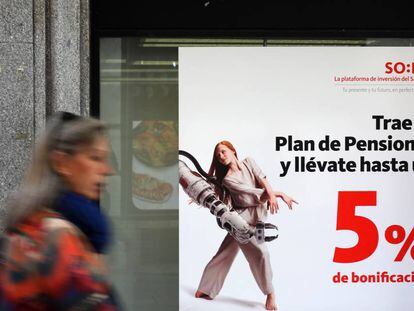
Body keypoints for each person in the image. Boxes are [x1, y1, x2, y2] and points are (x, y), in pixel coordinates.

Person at [0, 112, 120, 310]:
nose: (108, 170)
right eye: (95, 157)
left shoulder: (29, 224)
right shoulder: (56, 238)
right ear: (61, 163)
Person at [194, 141, 297, 311]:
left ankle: (206, 288)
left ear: (233, 151)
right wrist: (278, 194)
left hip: (259, 217)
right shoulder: (227, 179)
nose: (221, 156)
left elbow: (262, 179)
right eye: (218, 155)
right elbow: (252, 194)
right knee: (259, 252)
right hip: (240, 219)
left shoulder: (249, 161)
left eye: (223, 151)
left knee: (237, 251)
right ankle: (270, 293)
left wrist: (272, 193)